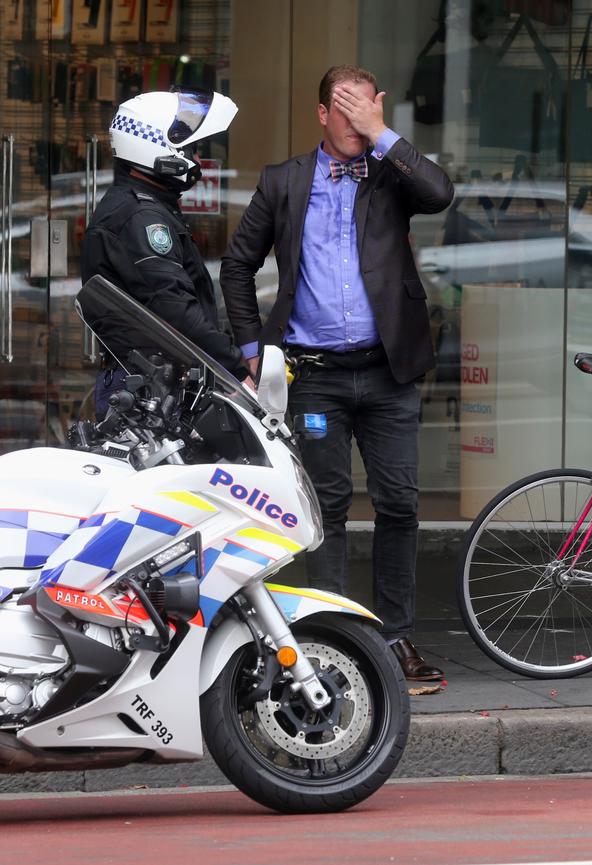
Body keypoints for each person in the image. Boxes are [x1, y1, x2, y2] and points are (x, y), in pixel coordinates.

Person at [219, 65, 454, 681]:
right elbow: (237, 265)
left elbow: (440, 193)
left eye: (364, 107)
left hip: (389, 372)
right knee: (325, 508)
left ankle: (397, 637)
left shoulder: (391, 173)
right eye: (343, 108)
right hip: (314, 375)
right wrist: (251, 349)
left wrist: (384, 134)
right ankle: (337, 640)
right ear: (322, 114)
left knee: (399, 504)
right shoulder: (283, 182)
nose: (353, 119)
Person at [81, 88, 248, 418]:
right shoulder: (140, 218)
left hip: (150, 382)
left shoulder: (143, 207)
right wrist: (238, 369)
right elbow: (173, 307)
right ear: (156, 146)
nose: (197, 160)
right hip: (146, 388)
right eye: (190, 149)